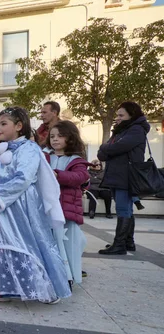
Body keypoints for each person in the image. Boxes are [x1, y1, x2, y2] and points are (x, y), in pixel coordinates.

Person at [0, 107, 71, 304]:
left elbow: (23, 178)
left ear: (18, 126)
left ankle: (44, 288)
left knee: (30, 243)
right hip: (3, 207)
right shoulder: (2, 151)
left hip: (24, 207)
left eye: (3, 124)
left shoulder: (29, 149)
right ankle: (0, 287)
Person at [97, 101, 149, 255]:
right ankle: (128, 242)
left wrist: (105, 147)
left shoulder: (136, 130)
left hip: (126, 177)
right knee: (125, 208)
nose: (117, 118)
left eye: (121, 115)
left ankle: (119, 245)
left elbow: (116, 147)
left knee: (123, 209)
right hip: (117, 176)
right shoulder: (120, 131)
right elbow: (102, 155)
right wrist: (107, 149)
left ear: (131, 116)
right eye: (117, 115)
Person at [45, 120, 90, 287]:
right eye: (52, 136)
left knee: (68, 245)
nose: (55, 139)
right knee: (49, 244)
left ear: (70, 138)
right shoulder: (44, 156)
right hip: (47, 210)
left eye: (60, 136)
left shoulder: (77, 160)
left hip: (66, 211)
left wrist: (57, 176)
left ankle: (68, 276)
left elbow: (79, 177)